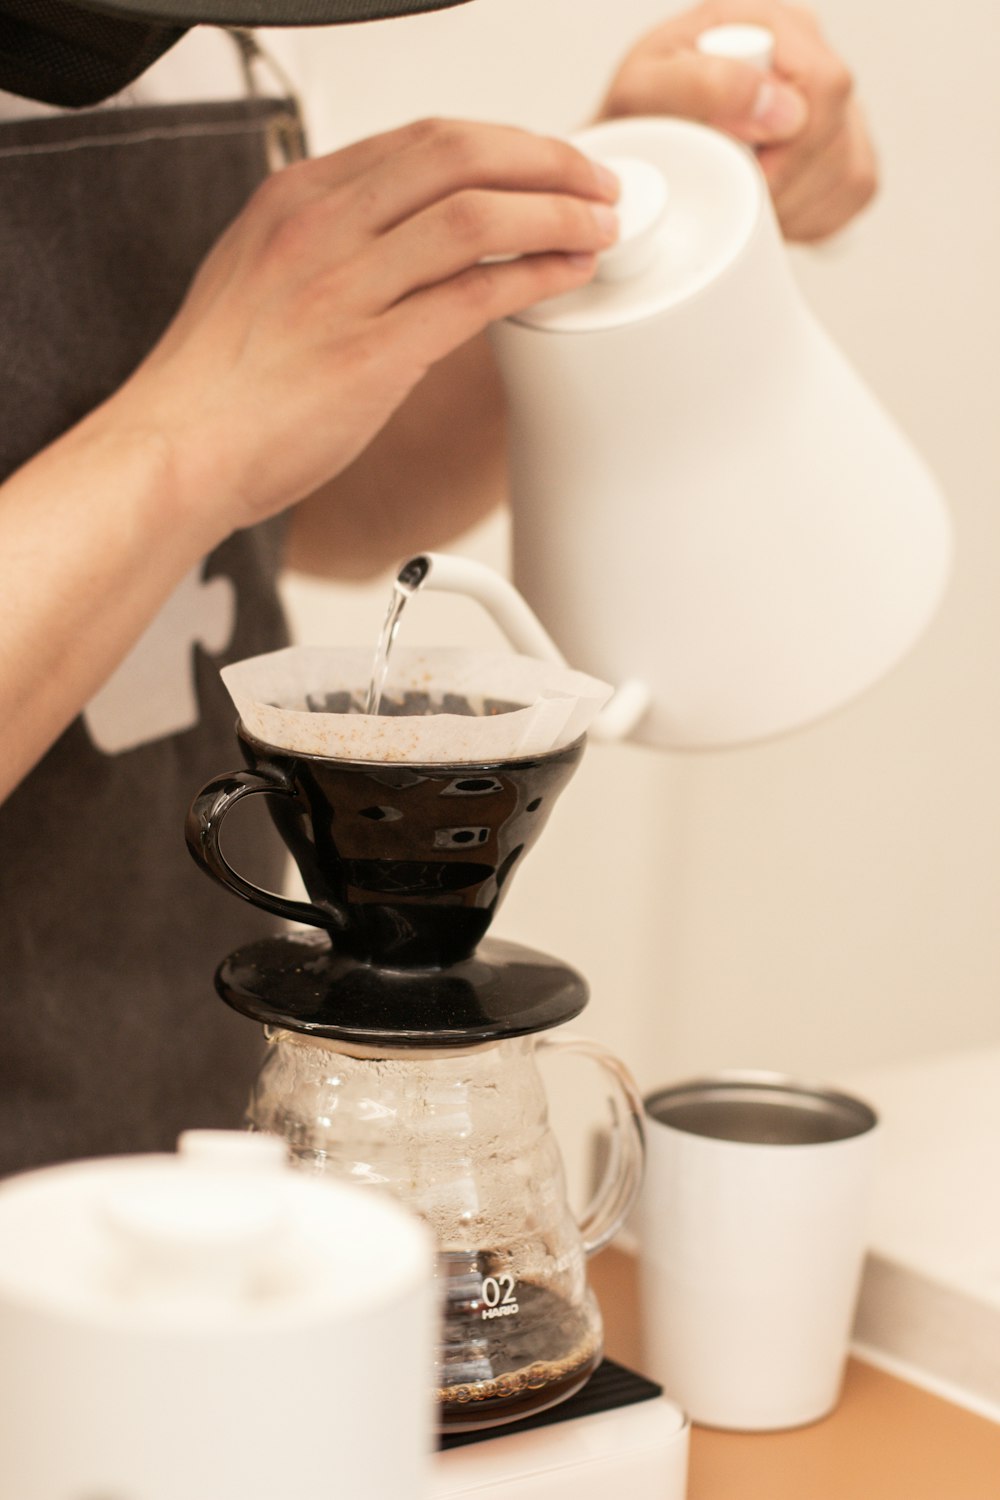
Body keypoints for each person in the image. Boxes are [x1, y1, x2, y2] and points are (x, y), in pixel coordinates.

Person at [0, 0, 876, 1176]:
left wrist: (591, 253)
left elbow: (316, 512)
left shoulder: (204, 30)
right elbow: (206, 438)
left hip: (182, 1134)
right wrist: (183, 432)